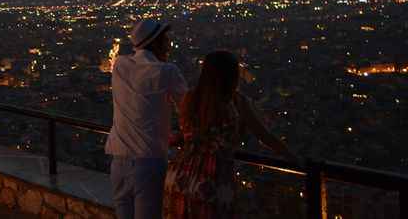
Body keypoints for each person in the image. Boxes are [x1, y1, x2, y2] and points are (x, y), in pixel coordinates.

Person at [163, 51, 298, 218]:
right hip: (213, 179)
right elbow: (264, 136)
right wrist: (293, 157)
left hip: (179, 176)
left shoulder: (190, 98)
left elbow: (186, 134)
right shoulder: (235, 102)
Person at [106, 18, 188, 219]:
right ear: (156, 42)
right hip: (149, 160)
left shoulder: (120, 66)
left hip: (119, 160)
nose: (169, 43)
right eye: (165, 39)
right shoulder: (167, 72)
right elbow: (188, 107)